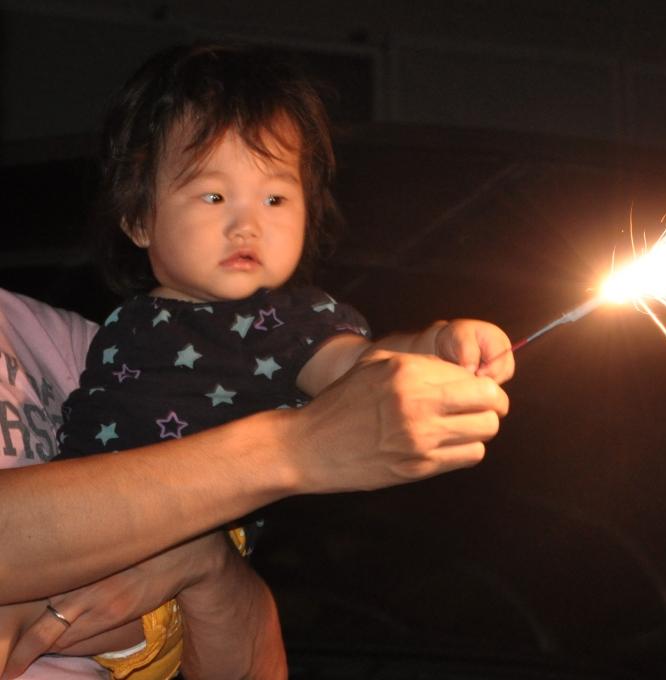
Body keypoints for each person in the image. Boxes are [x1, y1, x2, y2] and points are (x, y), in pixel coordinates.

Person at [0, 41, 514, 679]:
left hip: (160, 577)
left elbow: (357, 369)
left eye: (275, 199)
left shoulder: (286, 318)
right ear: (137, 216)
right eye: (215, 197)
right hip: (99, 556)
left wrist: (435, 346)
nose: (248, 225)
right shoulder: (120, 327)